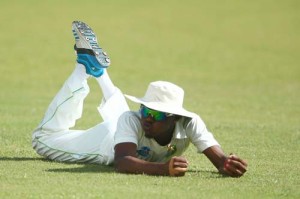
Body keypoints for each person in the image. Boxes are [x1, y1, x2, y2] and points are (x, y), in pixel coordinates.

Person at [32, 21, 247, 177]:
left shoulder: (190, 123)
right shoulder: (135, 119)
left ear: (175, 118)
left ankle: (96, 68)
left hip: (123, 128)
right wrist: (164, 169)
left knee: (126, 118)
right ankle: (83, 67)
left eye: (156, 113)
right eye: (145, 109)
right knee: (42, 139)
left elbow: (219, 159)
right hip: (107, 142)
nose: (148, 117)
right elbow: (123, 161)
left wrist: (226, 164)